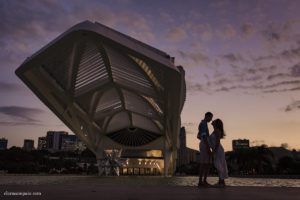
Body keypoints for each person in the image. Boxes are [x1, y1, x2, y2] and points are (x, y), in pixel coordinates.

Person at [210, 119, 228, 187]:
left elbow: (217, 142)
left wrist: (213, 151)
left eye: (214, 121)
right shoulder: (215, 130)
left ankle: (221, 182)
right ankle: (221, 182)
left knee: (219, 165)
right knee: (219, 165)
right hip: (217, 149)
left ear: (216, 123)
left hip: (218, 150)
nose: (212, 121)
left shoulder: (217, 131)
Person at [197, 112, 213, 187]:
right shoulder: (203, 124)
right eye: (210, 117)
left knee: (205, 163)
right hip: (204, 144)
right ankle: (202, 181)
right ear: (207, 116)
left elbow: (198, 136)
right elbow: (203, 136)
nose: (211, 119)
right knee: (205, 163)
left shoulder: (203, 123)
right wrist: (208, 147)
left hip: (203, 143)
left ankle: (202, 181)